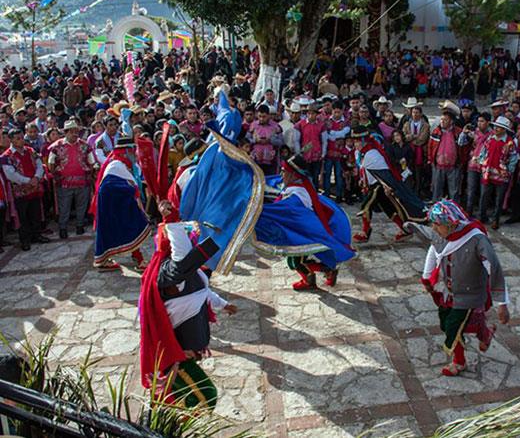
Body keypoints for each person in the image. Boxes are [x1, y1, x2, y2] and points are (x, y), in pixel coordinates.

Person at [139, 214, 237, 409]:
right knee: (206, 395)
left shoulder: (189, 274)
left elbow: (203, 292)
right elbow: (182, 258)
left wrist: (223, 304)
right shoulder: (170, 274)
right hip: (175, 356)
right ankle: (177, 424)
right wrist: (173, 222)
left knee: (182, 394)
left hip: (185, 351)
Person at [415, 200, 509, 377]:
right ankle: (485, 333)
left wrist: (502, 303)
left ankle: (459, 362)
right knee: (454, 321)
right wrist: (427, 278)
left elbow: (494, 268)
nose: (434, 229)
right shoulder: (442, 235)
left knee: (454, 325)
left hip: (470, 293)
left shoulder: (476, 239)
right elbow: (434, 251)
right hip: (449, 292)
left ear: (451, 224)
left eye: (437, 224)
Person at [253, 153, 355, 290]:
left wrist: (259, 211)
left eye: (284, 172)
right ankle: (322, 272)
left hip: (305, 231)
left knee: (294, 261)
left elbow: (283, 210)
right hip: (304, 229)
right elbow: (276, 184)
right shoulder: (299, 185)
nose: (281, 175)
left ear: (293, 174)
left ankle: (319, 275)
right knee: (298, 259)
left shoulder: (296, 195)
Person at [90, 110, 150, 271]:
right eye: (131, 150)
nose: (133, 153)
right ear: (125, 151)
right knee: (134, 224)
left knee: (120, 227)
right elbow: (114, 186)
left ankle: (136, 257)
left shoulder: (124, 163)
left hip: (118, 202)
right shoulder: (117, 164)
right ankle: (133, 259)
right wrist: (133, 192)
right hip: (113, 203)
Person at [352, 126, 426, 242]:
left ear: (364, 140)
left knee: (366, 206)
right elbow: (365, 170)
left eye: (357, 141)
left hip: (379, 185)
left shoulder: (371, 154)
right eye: (354, 141)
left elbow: (384, 176)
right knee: (388, 208)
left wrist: (388, 187)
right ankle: (405, 230)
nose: (356, 144)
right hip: (375, 184)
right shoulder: (362, 152)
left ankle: (365, 232)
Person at [0, 129, 50, 251]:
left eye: (22, 137)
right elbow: (11, 175)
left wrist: (37, 177)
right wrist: (29, 181)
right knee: (23, 217)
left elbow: (39, 165)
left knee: (35, 213)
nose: (21, 140)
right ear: (11, 140)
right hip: (20, 192)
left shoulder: (30, 150)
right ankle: (25, 240)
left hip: (35, 189)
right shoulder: (6, 157)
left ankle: (36, 235)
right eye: (17, 138)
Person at [47, 120, 95, 239]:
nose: (75, 134)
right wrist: (57, 175)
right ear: (66, 132)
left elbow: (92, 161)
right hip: (64, 182)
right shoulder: (56, 146)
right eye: (72, 131)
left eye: (76, 131)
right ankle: (63, 228)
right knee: (64, 207)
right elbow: (50, 163)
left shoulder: (85, 145)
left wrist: (90, 172)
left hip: (82, 181)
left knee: (81, 205)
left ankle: (80, 225)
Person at [478, 116, 518, 230]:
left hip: (502, 174)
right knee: (484, 195)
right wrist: (482, 163)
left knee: (499, 198)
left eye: (499, 127)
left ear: (504, 129)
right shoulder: (490, 138)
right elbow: (483, 151)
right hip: (488, 172)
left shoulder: (509, 143)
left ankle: (496, 219)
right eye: (495, 126)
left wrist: (509, 171)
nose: (496, 129)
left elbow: (513, 158)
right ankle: (482, 216)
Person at [428, 104, 466, 203]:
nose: (442, 122)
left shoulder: (458, 132)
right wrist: (431, 159)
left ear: (451, 121)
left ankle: (454, 211)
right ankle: (436, 210)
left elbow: (463, 148)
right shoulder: (436, 131)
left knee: (454, 191)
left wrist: (461, 161)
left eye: (445, 120)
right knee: (436, 189)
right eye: (441, 119)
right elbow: (430, 146)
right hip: (438, 165)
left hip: (453, 166)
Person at [322, 100, 350, 202]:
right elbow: (326, 136)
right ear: (332, 111)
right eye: (335, 112)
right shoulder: (326, 121)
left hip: (340, 155)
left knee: (339, 175)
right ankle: (327, 194)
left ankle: (339, 195)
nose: (337, 114)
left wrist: (334, 134)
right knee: (327, 174)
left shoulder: (346, 122)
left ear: (342, 111)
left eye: (339, 112)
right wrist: (337, 134)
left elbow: (344, 134)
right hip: (328, 154)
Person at [465, 113, 492, 215]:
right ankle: (468, 213)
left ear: (488, 123)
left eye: (482, 121)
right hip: (473, 165)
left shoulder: (492, 135)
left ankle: (482, 214)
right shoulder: (473, 133)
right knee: (471, 190)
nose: (479, 124)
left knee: (484, 192)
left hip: (486, 167)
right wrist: (464, 133)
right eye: (478, 121)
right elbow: (461, 142)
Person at [294, 103, 325, 187]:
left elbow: (324, 140)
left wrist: (323, 153)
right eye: (309, 113)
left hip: (316, 154)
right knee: (305, 176)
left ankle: (315, 194)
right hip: (305, 154)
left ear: (316, 114)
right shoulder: (300, 125)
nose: (311, 115)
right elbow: (296, 140)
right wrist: (298, 153)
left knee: (315, 176)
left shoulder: (321, 125)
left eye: (313, 113)